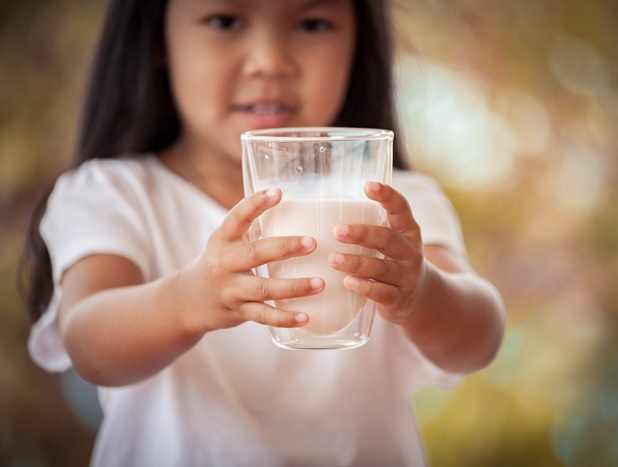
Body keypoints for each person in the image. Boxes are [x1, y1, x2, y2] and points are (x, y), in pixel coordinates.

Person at [20, 0, 506, 465]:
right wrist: (187, 301)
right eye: (226, 19)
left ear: (359, 43)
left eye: (312, 24)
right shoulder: (113, 193)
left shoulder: (396, 202)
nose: (271, 61)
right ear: (156, 38)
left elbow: (480, 337)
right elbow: (89, 343)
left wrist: (422, 292)